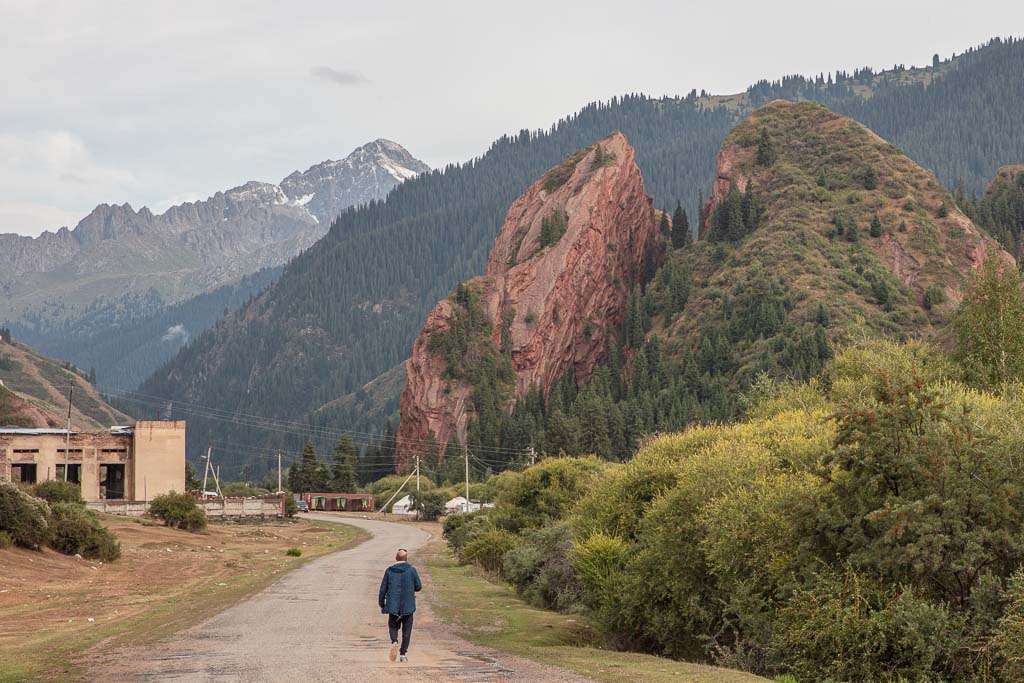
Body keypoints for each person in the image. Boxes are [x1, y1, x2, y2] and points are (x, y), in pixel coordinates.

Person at [378, 547, 422, 663]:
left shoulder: (389, 571)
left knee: (393, 627)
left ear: (396, 558)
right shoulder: (412, 570)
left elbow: (383, 589)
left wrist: (382, 604)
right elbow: (418, 587)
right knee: (407, 631)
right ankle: (402, 654)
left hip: (393, 606)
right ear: (406, 559)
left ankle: (394, 641)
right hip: (408, 606)